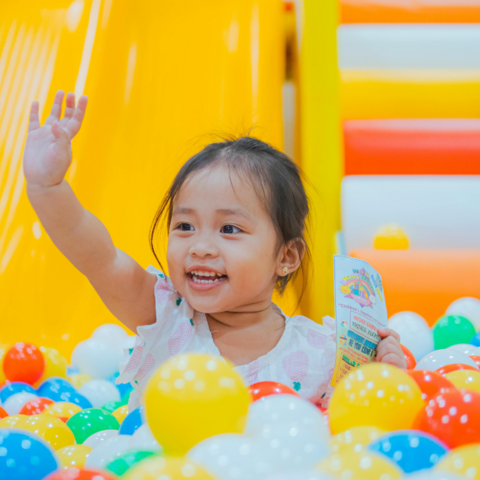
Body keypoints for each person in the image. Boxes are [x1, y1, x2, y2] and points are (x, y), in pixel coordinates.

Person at [24, 91, 406, 408]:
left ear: (286, 256)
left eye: (229, 229)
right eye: (185, 226)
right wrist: (48, 187)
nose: (201, 247)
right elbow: (98, 256)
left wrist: (383, 376)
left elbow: (355, 427)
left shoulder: (324, 354)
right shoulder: (165, 316)